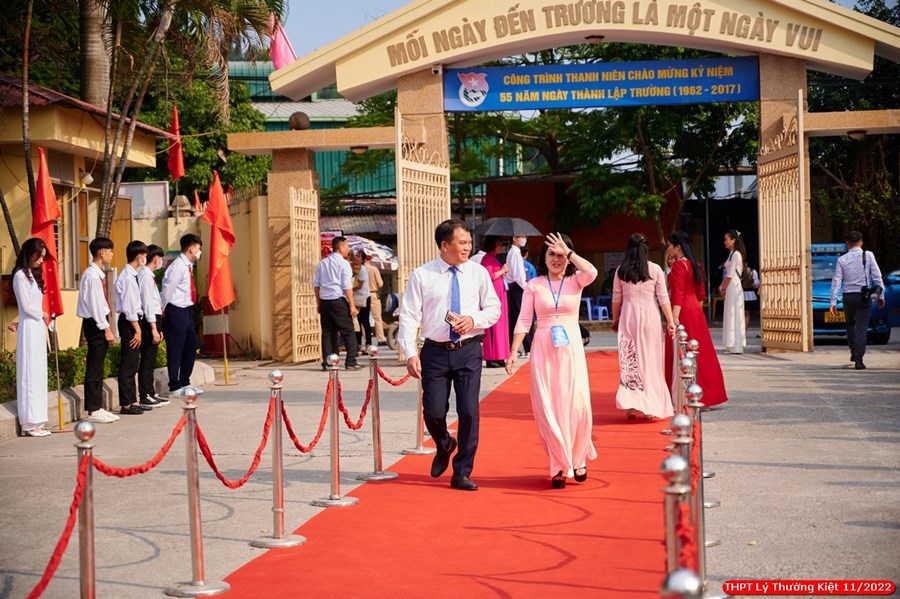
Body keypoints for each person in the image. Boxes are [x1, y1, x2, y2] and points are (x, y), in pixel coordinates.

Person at [398, 219, 500, 492]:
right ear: (444, 245)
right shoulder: (422, 275)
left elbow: (494, 309)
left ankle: (462, 472)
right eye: (462, 242)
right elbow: (409, 316)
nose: (467, 247)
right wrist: (410, 353)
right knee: (433, 411)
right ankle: (444, 444)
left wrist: (473, 320)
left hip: (469, 350)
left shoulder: (478, 273)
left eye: (469, 242)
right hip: (434, 352)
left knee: (468, 411)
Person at [506, 233, 598, 489]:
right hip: (543, 351)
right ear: (543, 258)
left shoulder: (576, 281)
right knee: (550, 408)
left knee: (577, 406)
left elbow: (592, 271)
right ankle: (558, 464)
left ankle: (578, 458)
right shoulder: (534, 285)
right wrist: (513, 351)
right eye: (551, 254)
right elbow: (524, 319)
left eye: (561, 255)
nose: (556, 259)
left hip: (571, 351)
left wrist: (569, 252)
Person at [611, 234, 677, 421]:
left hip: (628, 316)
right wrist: (670, 321)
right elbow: (663, 297)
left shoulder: (621, 270)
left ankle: (632, 405)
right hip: (650, 317)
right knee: (651, 360)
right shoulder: (655, 269)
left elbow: (616, 298)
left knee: (630, 359)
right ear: (646, 249)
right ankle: (650, 407)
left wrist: (615, 319)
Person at [664, 232, 728, 407]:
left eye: (669, 246)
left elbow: (678, 293)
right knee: (701, 352)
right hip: (695, 310)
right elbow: (700, 293)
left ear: (678, 247)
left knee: (681, 351)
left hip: (683, 310)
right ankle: (708, 394)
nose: (668, 249)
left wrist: (674, 317)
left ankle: (681, 395)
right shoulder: (695, 264)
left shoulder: (679, 265)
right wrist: (697, 311)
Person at [76, 237, 120, 423]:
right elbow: (95, 306)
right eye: (110, 251)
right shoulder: (92, 276)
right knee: (94, 367)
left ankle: (97, 406)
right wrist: (106, 329)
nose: (112, 254)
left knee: (98, 366)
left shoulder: (96, 274)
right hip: (95, 323)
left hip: (98, 322)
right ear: (101, 253)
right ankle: (93, 410)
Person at [830, 230, 885, 370]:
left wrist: (833, 302)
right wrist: (881, 296)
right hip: (864, 296)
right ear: (861, 243)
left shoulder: (842, 259)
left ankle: (854, 351)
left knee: (850, 324)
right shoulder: (868, 255)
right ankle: (859, 360)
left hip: (848, 297)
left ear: (847, 243)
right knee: (861, 328)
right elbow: (877, 276)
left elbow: (837, 281)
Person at [12, 238, 51, 436]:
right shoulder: (20, 276)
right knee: (29, 372)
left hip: (36, 327)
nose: (41, 261)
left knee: (38, 372)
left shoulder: (31, 276)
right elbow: (26, 306)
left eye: (43, 257)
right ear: (29, 254)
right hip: (30, 327)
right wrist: (43, 314)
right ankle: (28, 422)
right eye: (38, 256)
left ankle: (38, 420)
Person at [161, 234, 203, 394]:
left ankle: (185, 381)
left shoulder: (188, 265)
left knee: (191, 345)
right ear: (191, 249)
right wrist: (161, 312)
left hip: (186, 310)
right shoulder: (178, 266)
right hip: (175, 310)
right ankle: (174, 384)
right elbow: (167, 291)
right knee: (175, 347)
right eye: (198, 249)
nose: (199, 252)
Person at [314, 236, 360, 371]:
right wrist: (352, 305)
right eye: (346, 246)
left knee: (328, 333)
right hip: (337, 300)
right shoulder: (344, 264)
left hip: (325, 301)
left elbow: (316, 285)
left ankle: (328, 362)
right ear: (340, 248)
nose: (348, 249)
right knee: (348, 331)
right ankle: (350, 361)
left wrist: (319, 303)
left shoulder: (322, 263)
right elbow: (347, 286)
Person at [115, 240, 150, 415]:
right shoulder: (128, 278)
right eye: (144, 256)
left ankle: (133, 400)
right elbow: (129, 307)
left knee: (133, 362)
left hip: (133, 321)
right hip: (130, 322)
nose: (145, 259)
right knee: (129, 364)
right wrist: (137, 330)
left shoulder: (131, 275)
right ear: (138, 256)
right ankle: (127, 403)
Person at [138, 244, 169, 407]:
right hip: (149, 320)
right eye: (160, 258)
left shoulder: (149, 276)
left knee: (151, 360)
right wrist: (153, 328)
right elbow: (148, 305)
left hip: (155, 319)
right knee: (147, 359)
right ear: (156, 259)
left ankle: (150, 392)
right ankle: (145, 394)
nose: (161, 262)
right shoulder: (145, 276)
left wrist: (158, 327)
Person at [479, 236, 510, 367]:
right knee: (493, 327)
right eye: (499, 244)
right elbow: (488, 277)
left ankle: (500, 356)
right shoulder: (487, 259)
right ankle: (491, 357)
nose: (501, 246)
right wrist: (502, 270)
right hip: (493, 296)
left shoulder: (494, 258)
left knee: (500, 326)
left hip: (499, 295)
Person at [720, 229, 747, 354]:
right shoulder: (732, 253)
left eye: (727, 239)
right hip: (730, 286)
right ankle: (731, 344)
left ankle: (736, 345)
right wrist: (723, 286)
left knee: (734, 313)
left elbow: (730, 275)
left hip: (733, 286)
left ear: (733, 240)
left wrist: (723, 287)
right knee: (731, 313)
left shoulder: (736, 254)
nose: (725, 242)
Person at [505, 235, 529, 355]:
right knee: (523, 317)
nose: (524, 239)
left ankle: (514, 347)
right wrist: (526, 287)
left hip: (514, 287)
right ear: (514, 238)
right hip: (517, 288)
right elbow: (518, 275)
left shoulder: (515, 252)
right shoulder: (514, 252)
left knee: (514, 319)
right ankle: (527, 346)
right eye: (522, 236)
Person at [363, 252, 387, 345]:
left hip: (362, 295)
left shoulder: (360, 268)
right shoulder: (374, 269)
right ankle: (380, 339)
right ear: (370, 259)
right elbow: (380, 283)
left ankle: (365, 339)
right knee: (377, 318)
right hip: (373, 294)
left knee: (363, 319)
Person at [351, 251, 371, 351]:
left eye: (358, 256)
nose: (355, 257)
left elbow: (360, 285)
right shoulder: (353, 269)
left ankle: (368, 344)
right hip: (355, 298)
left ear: (362, 260)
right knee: (357, 322)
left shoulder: (362, 270)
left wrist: (349, 288)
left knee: (365, 322)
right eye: (355, 255)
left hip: (363, 298)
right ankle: (358, 345)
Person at [743, 265, 760, 330]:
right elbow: (757, 283)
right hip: (747, 294)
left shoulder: (752, 271)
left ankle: (743, 332)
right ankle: (743, 332)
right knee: (746, 314)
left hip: (746, 294)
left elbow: (757, 283)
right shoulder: (752, 271)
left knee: (745, 313)